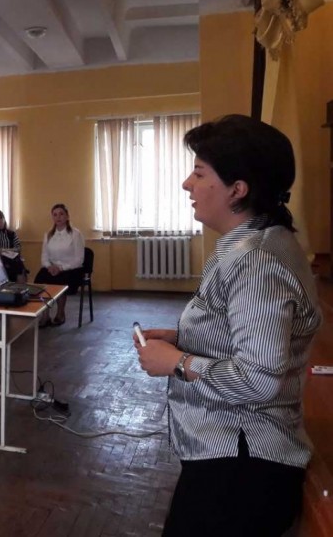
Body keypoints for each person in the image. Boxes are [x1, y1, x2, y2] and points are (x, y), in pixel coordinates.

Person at [134, 115, 321, 537]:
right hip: (232, 459)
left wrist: (177, 362)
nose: (187, 184)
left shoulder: (257, 261)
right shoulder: (253, 243)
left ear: (238, 189)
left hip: (242, 467)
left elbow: (259, 379)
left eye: (199, 174)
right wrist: (181, 338)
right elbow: (248, 333)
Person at [34, 204, 85, 326]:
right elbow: (44, 256)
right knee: (40, 279)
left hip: (71, 269)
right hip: (52, 268)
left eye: (61, 214)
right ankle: (45, 315)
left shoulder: (75, 234)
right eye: (55, 215)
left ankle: (60, 313)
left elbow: (79, 259)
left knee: (60, 281)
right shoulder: (48, 234)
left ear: (67, 216)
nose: (58, 217)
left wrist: (61, 268)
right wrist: (49, 266)